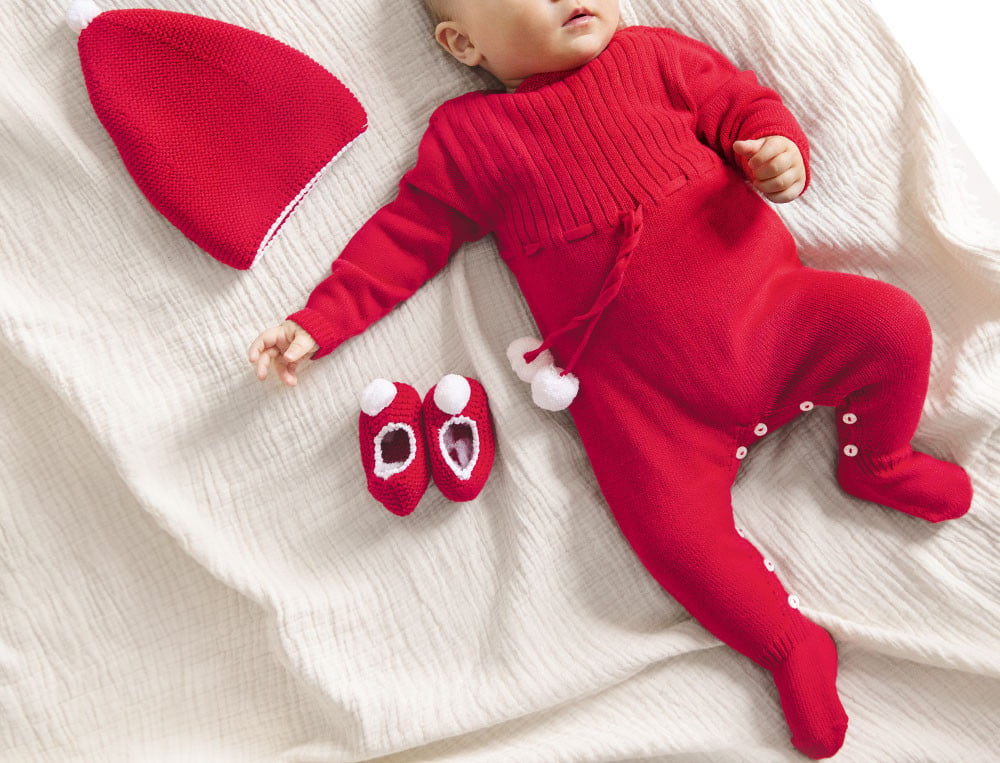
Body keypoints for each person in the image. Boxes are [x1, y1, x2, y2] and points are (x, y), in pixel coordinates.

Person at [247, 1, 973, 757]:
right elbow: (404, 236)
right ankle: (789, 643)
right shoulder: (471, 139)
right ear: (465, 43)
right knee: (669, 534)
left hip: (777, 320)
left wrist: (778, 150)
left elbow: (746, 104)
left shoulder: (659, 57)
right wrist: (318, 323)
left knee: (894, 326)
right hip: (648, 413)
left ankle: (877, 461)